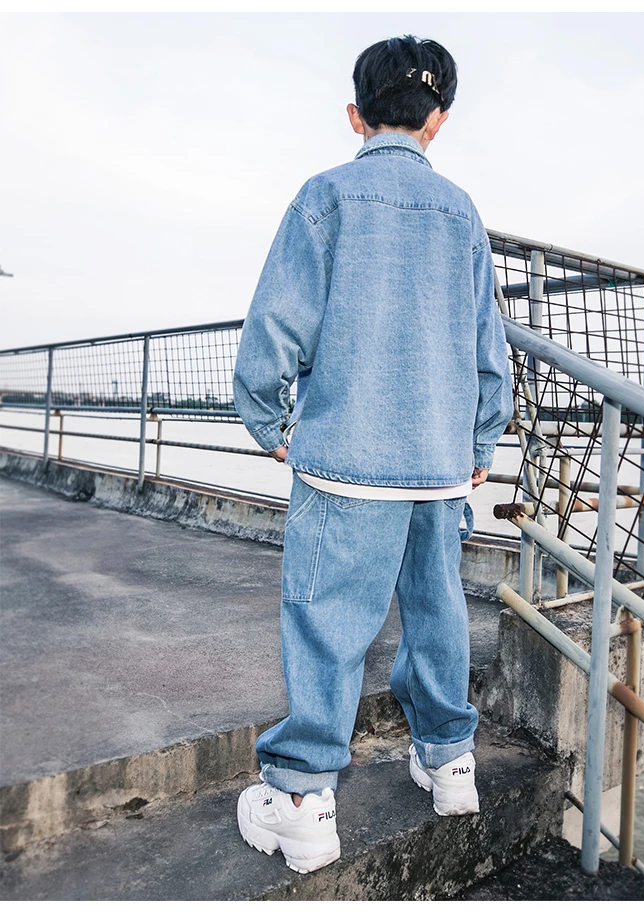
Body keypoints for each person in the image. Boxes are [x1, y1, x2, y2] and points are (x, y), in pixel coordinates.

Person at [232, 34, 513, 875]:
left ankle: (303, 800)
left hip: (345, 458)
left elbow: (275, 326)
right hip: (438, 463)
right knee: (438, 613)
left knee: (327, 623)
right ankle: (450, 761)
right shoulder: (461, 212)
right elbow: (487, 344)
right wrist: (480, 439)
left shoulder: (326, 197)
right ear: (439, 120)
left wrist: (270, 423)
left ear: (356, 115)